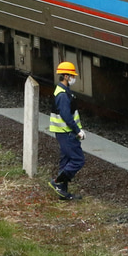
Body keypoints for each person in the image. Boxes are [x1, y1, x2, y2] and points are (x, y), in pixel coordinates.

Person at [48, 61, 85, 201]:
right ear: (65, 76)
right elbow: (66, 115)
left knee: (66, 160)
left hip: (63, 132)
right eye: (71, 75)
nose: (73, 78)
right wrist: (77, 130)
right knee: (78, 159)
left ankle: (62, 192)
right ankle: (57, 183)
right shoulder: (63, 94)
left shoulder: (62, 91)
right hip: (67, 132)